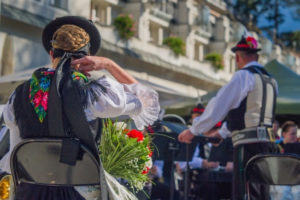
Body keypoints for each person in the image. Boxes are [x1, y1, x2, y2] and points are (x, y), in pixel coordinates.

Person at [0, 16, 160, 200]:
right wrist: (109, 64)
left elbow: (17, 150)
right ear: (88, 57)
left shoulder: (19, 94)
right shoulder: (96, 93)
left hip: (31, 191)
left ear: (51, 54)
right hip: (78, 192)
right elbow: (147, 101)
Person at [178, 36, 278, 200]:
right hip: (267, 145)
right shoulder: (272, 81)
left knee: (246, 193)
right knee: (261, 192)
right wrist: (222, 133)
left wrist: (193, 130)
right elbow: (246, 111)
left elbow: (220, 105)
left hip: (248, 146)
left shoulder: (243, 76)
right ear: (257, 56)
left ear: (237, 57)